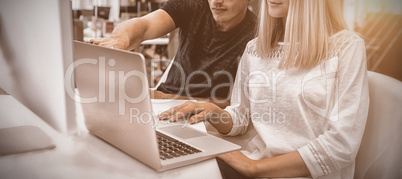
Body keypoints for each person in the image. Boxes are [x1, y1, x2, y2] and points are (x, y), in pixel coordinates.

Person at [158, 0, 370, 178]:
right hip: (248, 164)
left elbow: (342, 145)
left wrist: (254, 168)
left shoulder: (346, 47)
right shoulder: (256, 48)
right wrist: (215, 113)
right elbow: (242, 116)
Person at [90, 0, 257, 108]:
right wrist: (120, 39)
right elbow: (144, 26)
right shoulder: (193, 4)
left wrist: (167, 98)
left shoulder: (257, 35)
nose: (216, 2)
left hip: (207, 119)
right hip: (161, 103)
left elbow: (232, 106)